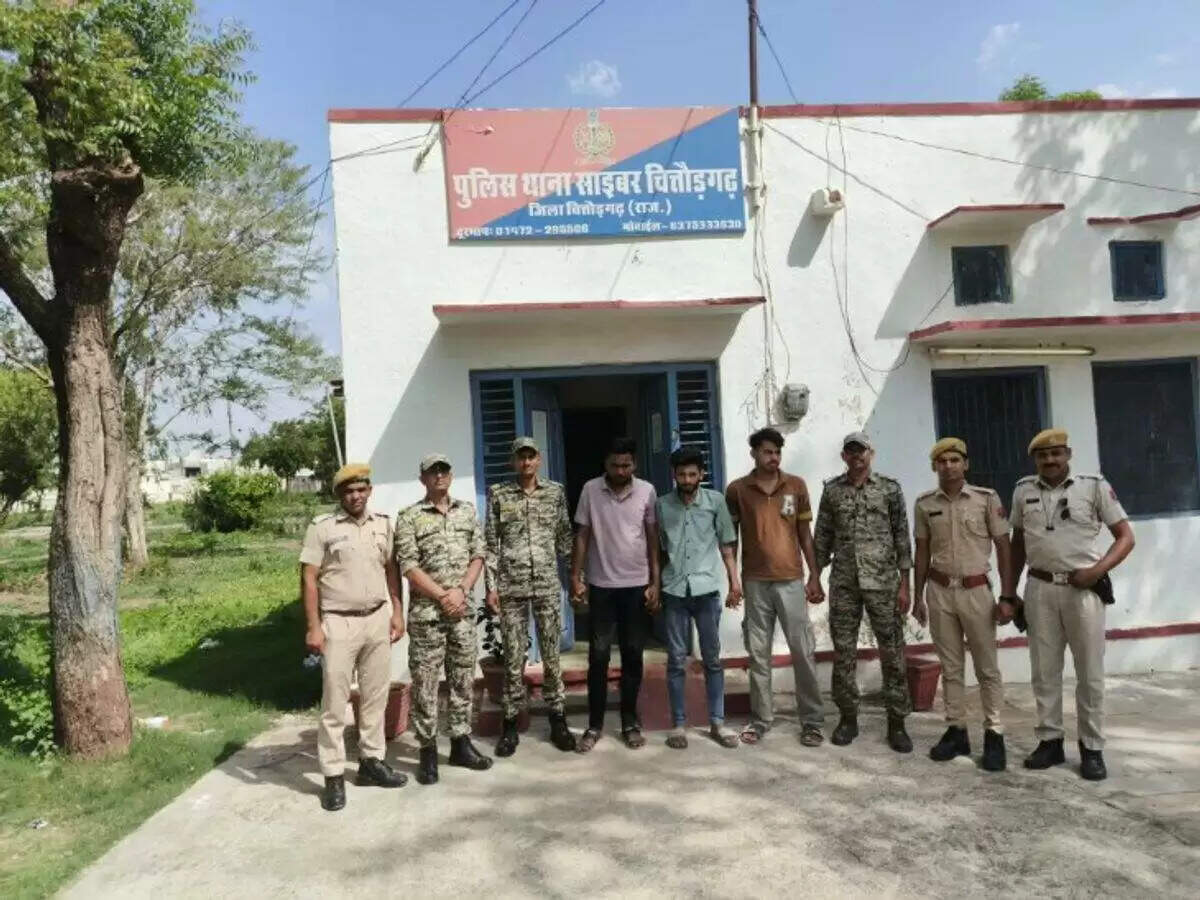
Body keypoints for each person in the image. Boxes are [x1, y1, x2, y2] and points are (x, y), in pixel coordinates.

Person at [1009, 428, 1134, 781]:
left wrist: (1097, 570)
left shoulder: (1093, 487)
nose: (1049, 460)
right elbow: (1018, 544)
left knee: (1089, 673)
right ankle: (1049, 741)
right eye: (1042, 455)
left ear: (1068, 454)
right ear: (1035, 460)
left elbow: (1126, 537)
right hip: (1040, 589)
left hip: (1083, 591)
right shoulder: (1023, 490)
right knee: (1044, 671)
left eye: (1056, 453)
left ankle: (1092, 748)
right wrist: (1010, 591)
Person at [301, 463, 408, 812]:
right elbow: (309, 578)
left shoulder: (383, 525)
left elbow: (391, 571)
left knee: (375, 697)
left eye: (361, 489)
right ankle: (333, 775)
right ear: (339, 495)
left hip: (376, 619)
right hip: (338, 622)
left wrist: (397, 611)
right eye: (348, 491)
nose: (356, 496)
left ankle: (371, 762)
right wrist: (314, 626)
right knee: (334, 702)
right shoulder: (323, 527)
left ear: (369, 491)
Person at [911, 438, 1014, 771]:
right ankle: (956, 730)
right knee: (951, 667)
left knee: (987, 667)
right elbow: (922, 551)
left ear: (965, 464)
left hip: (976, 591)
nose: (948, 466)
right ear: (934, 467)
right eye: (942, 461)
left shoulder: (986, 499)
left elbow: (1003, 546)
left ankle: (994, 734)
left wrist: (1008, 596)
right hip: (940, 591)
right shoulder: (925, 504)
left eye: (955, 460)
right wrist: (917, 596)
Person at [394, 453, 493, 785]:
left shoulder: (467, 511)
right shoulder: (409, 517)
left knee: (462, 680)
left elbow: (478, 554)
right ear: (422, 478)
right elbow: (408, 565)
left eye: (444, 470)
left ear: (450, 475)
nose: (439, 475)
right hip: (428, 616)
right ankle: (427, 750)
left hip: (461, 613)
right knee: (425, 684)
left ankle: (461, 744)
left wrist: (461, 591)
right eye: (432, 471)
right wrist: (442, 596)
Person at [725, 427, 826, 747]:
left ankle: (812, 721)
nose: (773, 457)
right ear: (754, 453)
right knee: (758, 654)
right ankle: (761, 719)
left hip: (791, 581)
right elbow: (730, 539)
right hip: (755, 583)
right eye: (767, 452)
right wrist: (734, 580)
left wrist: (814, 575)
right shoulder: (738, 490)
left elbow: (805, 534)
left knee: (803, 650)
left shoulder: (795, 485)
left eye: (777, 452)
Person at [813, 431, 914, 753]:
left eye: (862, 451)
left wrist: (905, 584)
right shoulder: (832, 491)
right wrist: (814, 578)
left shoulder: (889, 489)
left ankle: (897, 722)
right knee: (844, 653)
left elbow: (902, 537)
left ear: (871, 454)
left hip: (883, 583)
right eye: (851, 451)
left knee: (892, 651)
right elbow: (822, 536)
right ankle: (848, 718)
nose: (857, 456)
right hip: (845, 583)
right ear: (844, 456)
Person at [484, 437, 577, 756]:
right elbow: (490, 544)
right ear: (513, 462)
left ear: (539, 460)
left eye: (531, 456)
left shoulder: (555, 492)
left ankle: (558, 719)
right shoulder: (499, 494)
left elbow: (565, 538)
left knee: (552, 656)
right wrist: (491, 587)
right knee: (513, 659)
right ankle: (510, 724)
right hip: (511, 587)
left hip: (547, 585)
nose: (526, 462)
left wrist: (576, 578)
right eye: (520, 457)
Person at [570, 436, 660, 752]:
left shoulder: (647, 491)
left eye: (626, 465)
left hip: (636, 586)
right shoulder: (590, 490)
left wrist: (655, 582)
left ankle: (630, 723)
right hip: (602, 585)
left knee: (633, 654)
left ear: (634, 464)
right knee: (598, 656)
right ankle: (594, 725)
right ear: (605, 464)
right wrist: (575, 576)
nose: (621, 471)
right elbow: (582, 535)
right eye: (615, 465)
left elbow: (652, 540)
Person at [657, 446, 742, 750]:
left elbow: (726, 546)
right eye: (682, 474)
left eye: (692, 474)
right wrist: (655, 585)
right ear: (674, 475)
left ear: (701, 474)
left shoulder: (715, 501)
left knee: (712, 660)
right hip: (674, 591)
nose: (687, 480)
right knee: (676, 661)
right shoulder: (662, 505)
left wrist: (734, 582)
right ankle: (678, 725)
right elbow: (658, 550)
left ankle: (717, 723)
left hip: (707, 591)